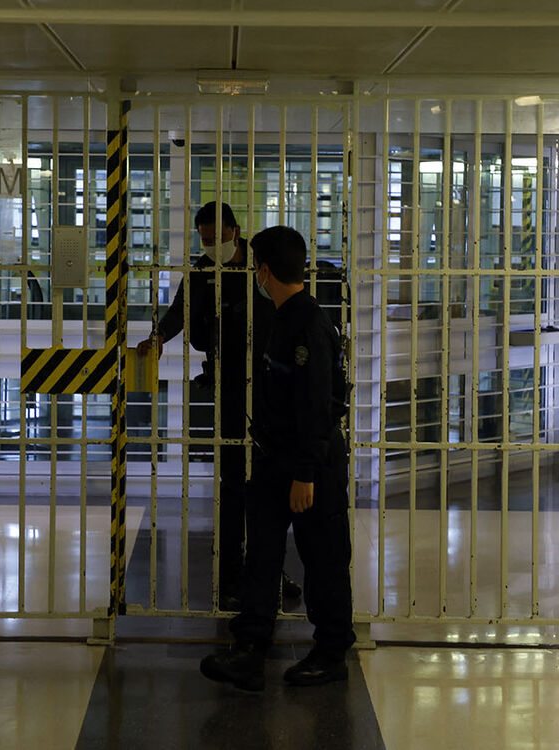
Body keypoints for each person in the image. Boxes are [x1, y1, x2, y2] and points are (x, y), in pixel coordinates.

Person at [199, 225, 354, 691]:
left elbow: (317, 407)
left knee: (323, 560)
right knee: (261, 556)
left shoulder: (308, 325)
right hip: (275, 460)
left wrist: (306, 473)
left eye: (254, 268)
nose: (254, 276)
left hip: (310, 467)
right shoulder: (281, 316)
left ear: (265, 270)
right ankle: (250, 649)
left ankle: (331, 651)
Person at [135, 202, 299, 608]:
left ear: (237, 231)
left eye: (219, 238)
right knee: (232, 489)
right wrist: (156, 338)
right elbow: (178, 314)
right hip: (228, 389)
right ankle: (230, 578)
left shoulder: (261, 268)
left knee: (267, 488)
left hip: (269, 388)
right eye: (205, 240)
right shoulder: (202, 272)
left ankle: (270, 574)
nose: (212, 246)